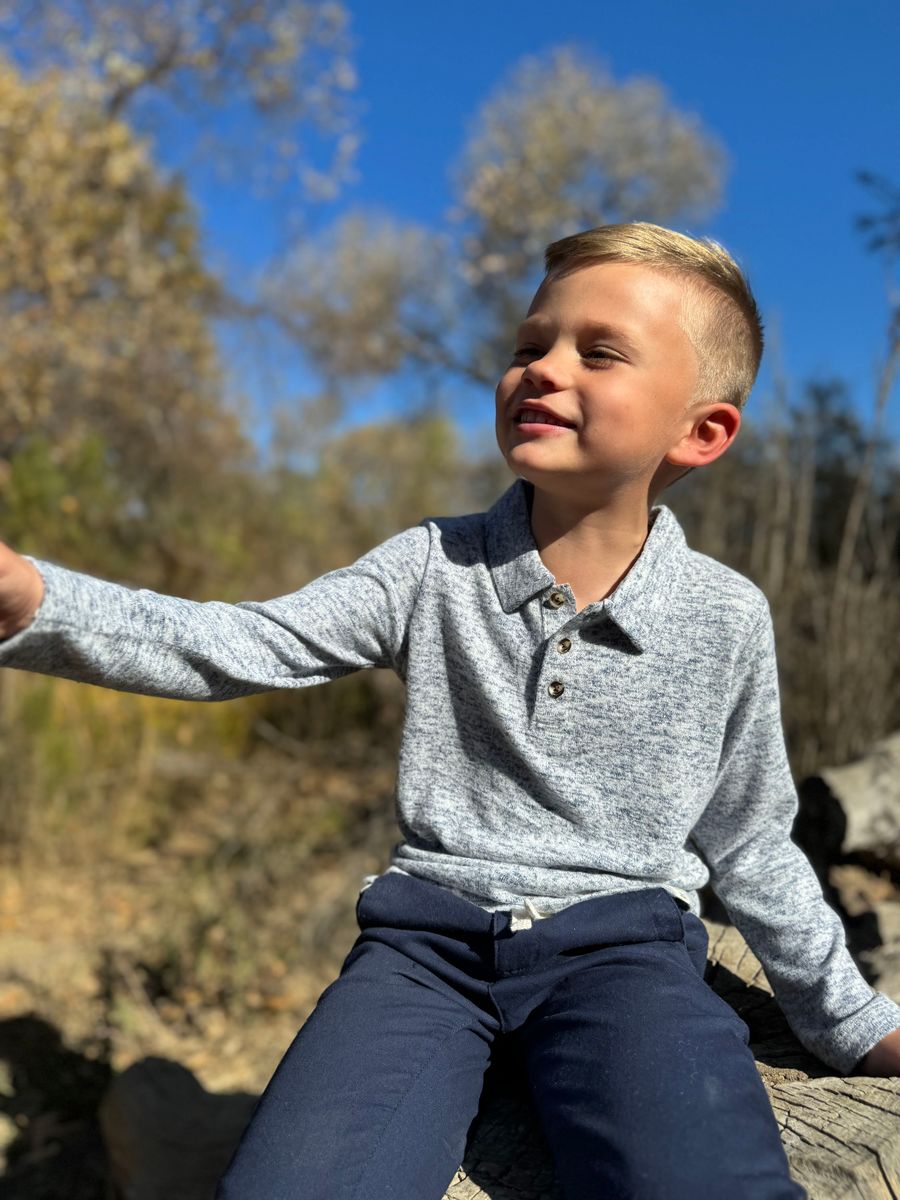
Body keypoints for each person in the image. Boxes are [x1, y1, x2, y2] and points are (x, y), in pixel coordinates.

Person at [1, 221, 898, 1200]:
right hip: (423, 953)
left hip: (627, 955)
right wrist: (41, 603)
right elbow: (245, 642)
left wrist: (850, 1021)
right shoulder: (431, 565)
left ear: (702, 432)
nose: (543, 368)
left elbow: (753, 840)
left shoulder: (724, 616)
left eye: (599, 353)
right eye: (530, 344)